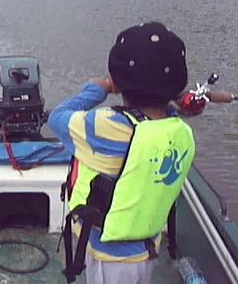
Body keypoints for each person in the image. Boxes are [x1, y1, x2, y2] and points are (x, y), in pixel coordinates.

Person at [48, 22, 219, 284]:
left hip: (109, 258)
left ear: (118, 81)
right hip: (147, 248)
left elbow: (58, 118)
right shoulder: (176, 129)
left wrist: (99, 88)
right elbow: (158, 117)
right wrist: (176, 103)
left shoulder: (106, 127)